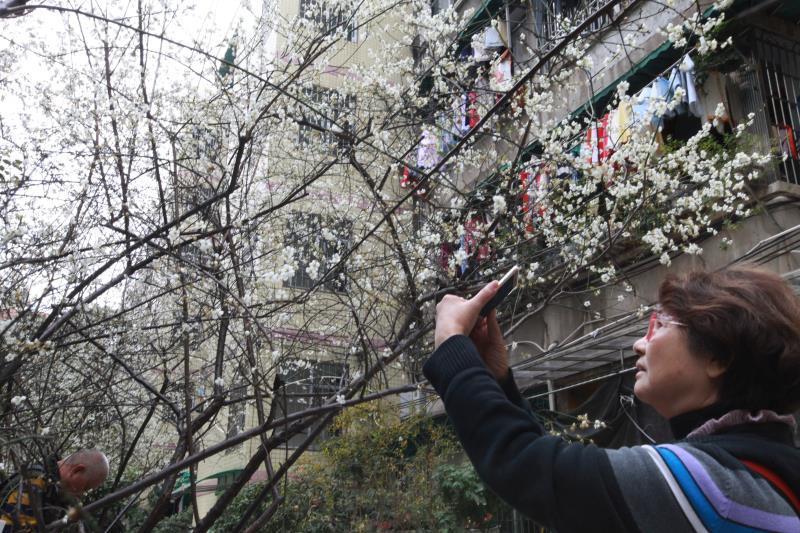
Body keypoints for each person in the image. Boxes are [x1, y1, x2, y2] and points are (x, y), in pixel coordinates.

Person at [424, 266, 800, 532]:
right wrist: (497, 380)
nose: (639, 343)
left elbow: (530, 467)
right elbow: (556, 474)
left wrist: (452, 344)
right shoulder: (756, 474)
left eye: (660, 324)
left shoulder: (715, 490)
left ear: (719, 356)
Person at [0, 449, 109, 532]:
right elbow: (6, 529)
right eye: (86, 487)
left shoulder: (53, 491)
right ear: (76, 471)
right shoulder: (34, 483)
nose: (82, 494)